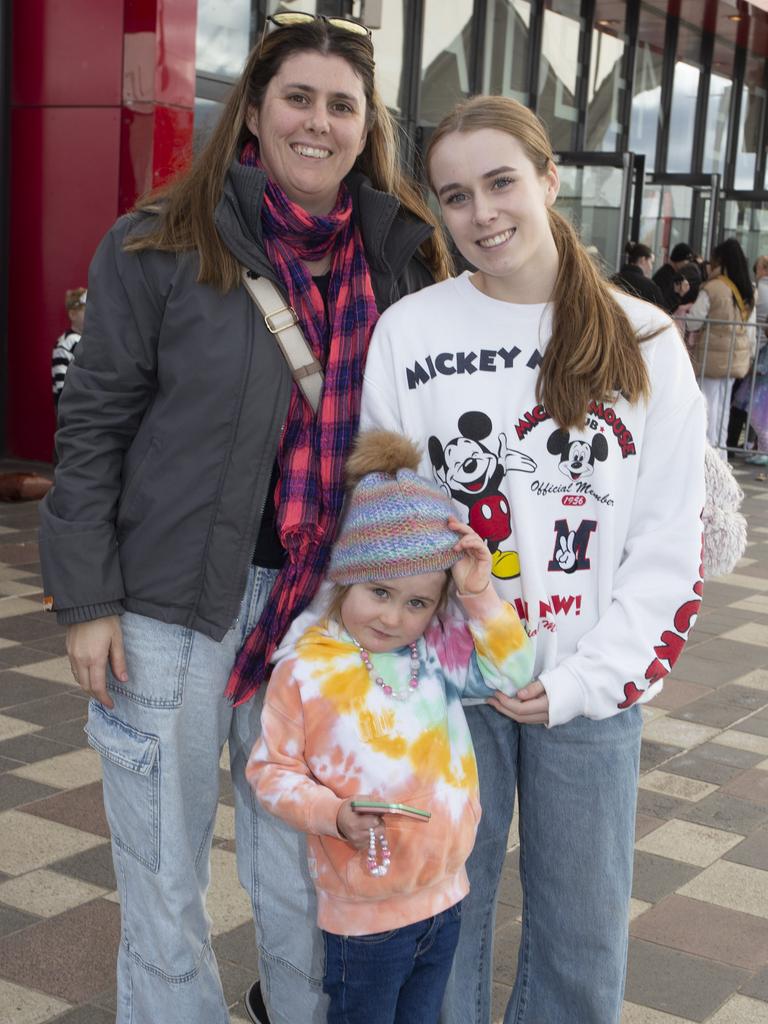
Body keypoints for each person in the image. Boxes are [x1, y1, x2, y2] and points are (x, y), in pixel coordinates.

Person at [37, 14, 450, 1024]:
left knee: (305, 881)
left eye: (341, 104)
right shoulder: (159, 242)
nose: (318, 121)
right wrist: (87, 595)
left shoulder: (403, 258)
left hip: (322, 624)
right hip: (168, 608)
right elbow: (92, 428)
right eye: (297, 98)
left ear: (368, 127)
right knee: (165, 883)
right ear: (254, 114)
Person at [358, 95, 705, 1024]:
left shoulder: (645, 340)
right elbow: (382, 514)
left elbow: (668, 540)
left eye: (502, 182)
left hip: (588, 689)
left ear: (551, 181)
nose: (482, 214)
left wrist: (591, 680)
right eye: (455, 195)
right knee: (440, 928)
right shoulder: (411, 332)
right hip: (447, 688)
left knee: (582, 945)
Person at [247, 429, 534, 1024]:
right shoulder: (305, 670)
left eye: (417, 602)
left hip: (446, 898)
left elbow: (513, 671)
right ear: (347, 577)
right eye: (379, 591)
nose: (394, 616)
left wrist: (479, 596)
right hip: (364, 916)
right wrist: (331, 814)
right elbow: (270, 772)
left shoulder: (436, 656)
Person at [684, 238, 756, 457]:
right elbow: (751, 329)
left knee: (707, 410)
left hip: (711, 360)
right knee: (723, 411)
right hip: (736, 359)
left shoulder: (713, 288)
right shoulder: (747, 291)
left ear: (721, 261)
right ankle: (722, 458)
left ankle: (707, 460)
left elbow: (693, 322)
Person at [731, 254, 768, 470]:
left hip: (759, 352)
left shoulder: (758, 290)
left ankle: (759, 447)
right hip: (761, 352)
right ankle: (756, 446)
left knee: (755, 404)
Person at [51, 287, 86, 412]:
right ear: (72, 314)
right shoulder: (69, 342)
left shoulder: (84, 340)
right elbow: (62, 385)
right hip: (72, 409)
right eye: (86, 310)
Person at [612, 242, 666, 307]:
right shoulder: (651, 287)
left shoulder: (612, 279)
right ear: (642, 260)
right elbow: (662, 311)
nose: (651, 267)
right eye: (651, 262)